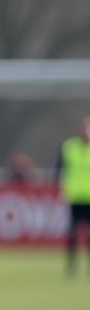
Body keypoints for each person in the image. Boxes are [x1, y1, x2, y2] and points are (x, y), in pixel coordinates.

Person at [57, 117, 90, 275]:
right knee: (72, 233)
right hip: (74, 196)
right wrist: (59, 187)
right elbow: (59, 168)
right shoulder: (69, 147)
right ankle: (71, 266)